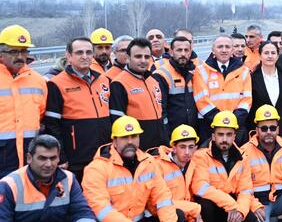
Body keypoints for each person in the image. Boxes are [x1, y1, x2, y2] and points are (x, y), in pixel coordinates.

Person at [189, 111, 266, 222]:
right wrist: (230, 204)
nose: (224, 139)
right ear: (213, 136)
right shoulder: (200, 156)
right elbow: (200, 188)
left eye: (229, 134)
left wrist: (240, 211)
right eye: (220, 134)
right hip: (215, 206)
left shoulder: (243, 156)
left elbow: (246, 190)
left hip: (233, 205)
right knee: (204, 205)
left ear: (234, 136)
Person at [149, 125, 221, 222]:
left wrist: (193, 220)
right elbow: (157, 202)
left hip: (185, 216)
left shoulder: (192, 164)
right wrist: (193, 210)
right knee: (179, 214)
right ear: (173, 148)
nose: (187, 152)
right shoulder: (157, 165)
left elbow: (191, 196)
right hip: (159, 218)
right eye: (182, 147)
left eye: (191, 147)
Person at [44, 37, 111, 180]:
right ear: (68, 55)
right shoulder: (56, 84)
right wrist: (60, 156)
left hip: (105, 155)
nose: (85, 56)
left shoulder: (104, 80)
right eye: (79, 52)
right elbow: (52, 125)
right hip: (77, 159)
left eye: (88, 52)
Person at [0, 24, 47, 177]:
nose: (20, 56)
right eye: (14, 51)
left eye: (24, 51)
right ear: (1, 53)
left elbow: (41, 113)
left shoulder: (38, 80)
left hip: (30, 154)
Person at [109, 37, 167, 151]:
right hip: (137, 149)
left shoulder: (153, 81)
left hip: (160, 147)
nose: (143, 60)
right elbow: (117, 122)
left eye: (146, 56)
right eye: (138, 56)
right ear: (128, 58)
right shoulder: (119, 83)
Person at [194, 35, 252, 143]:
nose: (224, 50)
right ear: (213, 50)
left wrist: (233, 121)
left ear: (232, 50)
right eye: (220, 47)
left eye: (227, 47)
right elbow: (201, 100)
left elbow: (246, 99)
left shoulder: (244, 71)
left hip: (236, 126)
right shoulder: (201, 70)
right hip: (210, 126)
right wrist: (221, 122)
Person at [250, 41, 282, 140]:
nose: (270, 56)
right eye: (266, 53)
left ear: (277, 55)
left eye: (273, 53)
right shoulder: (252, 78)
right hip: (261, 131)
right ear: (260, 55)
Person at [153, 36, 199, 132]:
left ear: (190, 52)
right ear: (171, 51)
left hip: (192, 132)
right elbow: (161, 109)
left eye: (186, 50)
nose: (183, 54)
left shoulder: (195, 71)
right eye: (179, 50)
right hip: (173, 133)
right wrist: (166, 133)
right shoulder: (161, 74)